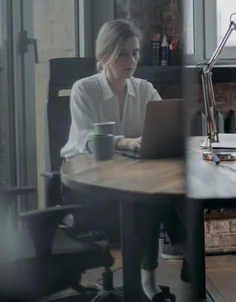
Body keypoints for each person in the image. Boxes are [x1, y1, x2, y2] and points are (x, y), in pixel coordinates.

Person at [61, 19, 187, 302]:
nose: (131, 61)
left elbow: (165, 124)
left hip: (134, 180)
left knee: (163, 193)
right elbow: (87, 139)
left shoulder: (143, 89)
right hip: (88, 188)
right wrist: (127, 141)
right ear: (105, 54)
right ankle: (167, 271)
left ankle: (158, 279)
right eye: (123, 53)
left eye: (136, 52)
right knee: (150, 198)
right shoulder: (85, 89)